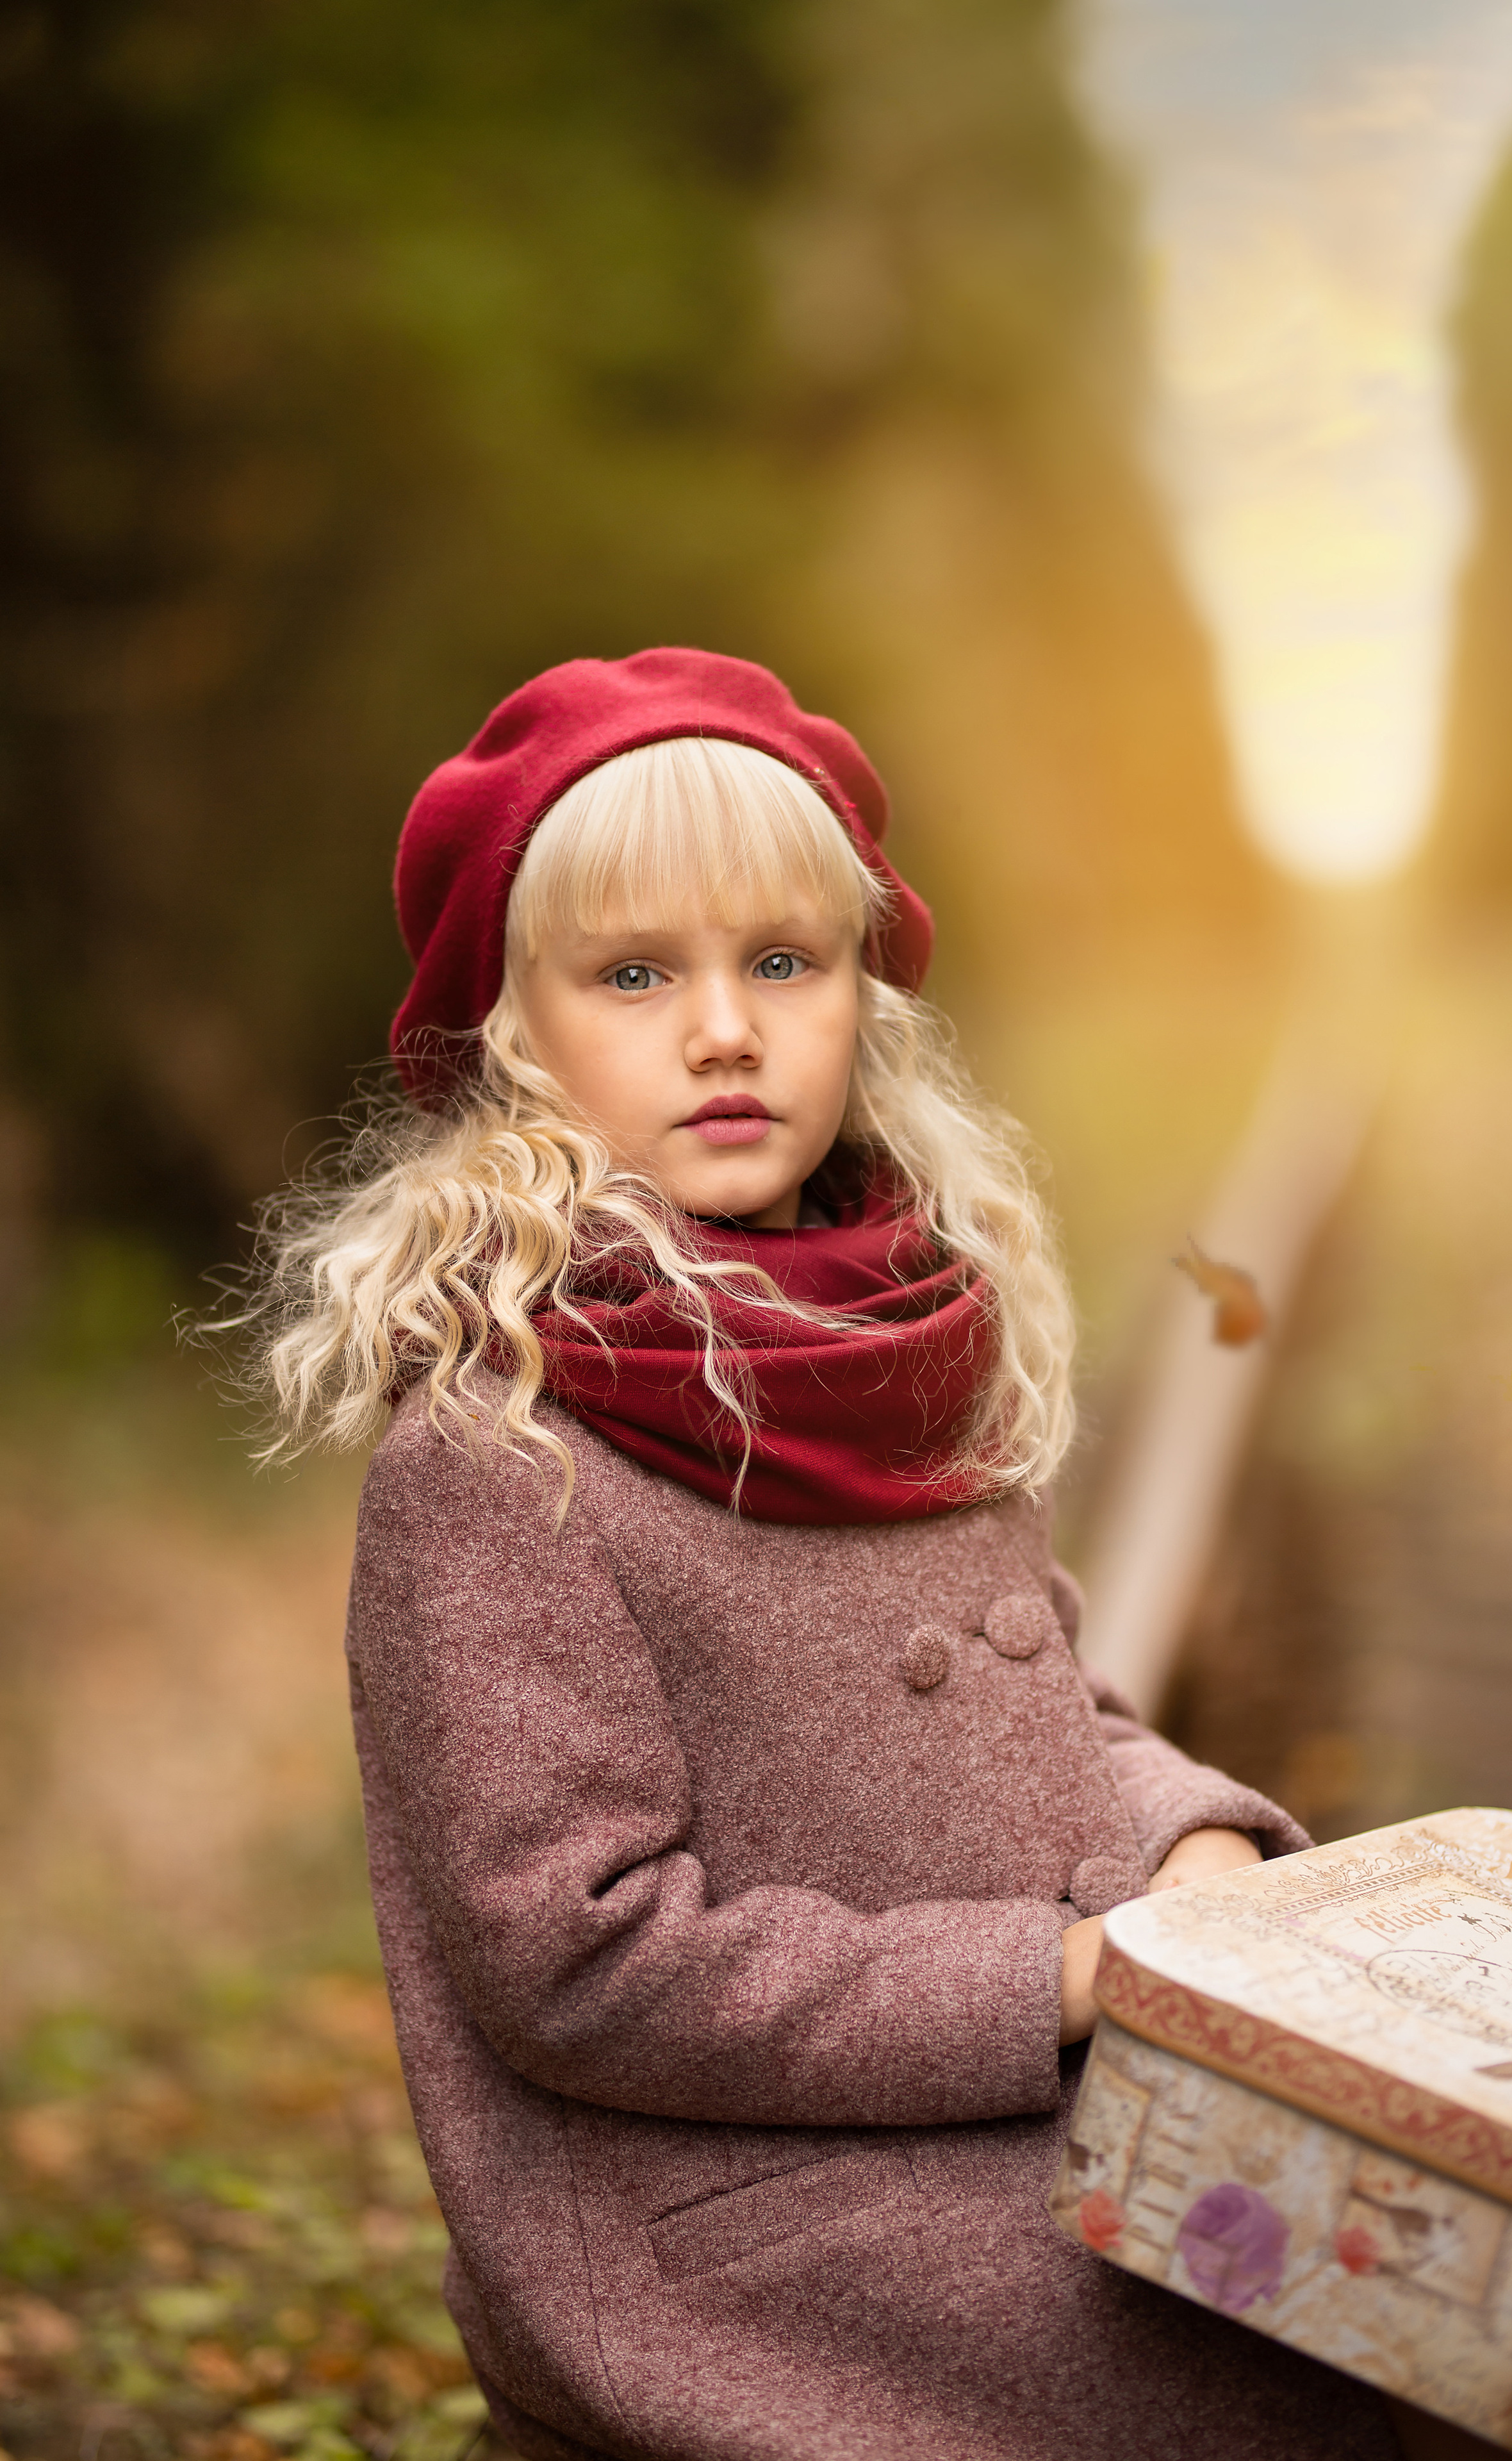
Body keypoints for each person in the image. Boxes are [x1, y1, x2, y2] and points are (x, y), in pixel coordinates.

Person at [249, 649, 1401, 2459]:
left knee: (1478, 2251)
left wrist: (1183, 1837)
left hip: (984, 2116)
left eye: (783, 961)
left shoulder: (896, 1346)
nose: (726, 1028)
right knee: (1351, 2336)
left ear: (866, 995)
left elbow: (1052, 1704)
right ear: (515, 1030)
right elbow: (584, 1962)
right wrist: (1065, 1975)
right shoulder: (496, 1459)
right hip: (731, 2231)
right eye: (637, 974)